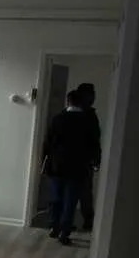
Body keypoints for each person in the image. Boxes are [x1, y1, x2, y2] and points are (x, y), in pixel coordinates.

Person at [42, 90, 101, 246]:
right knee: (71, 200)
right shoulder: (88, 121)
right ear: (81, 103)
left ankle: (54, 226)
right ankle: (65, 232)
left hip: (57, 165)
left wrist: (44, 160)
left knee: (56, 198)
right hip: (78, 166)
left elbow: (48, 143)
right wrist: (96, 162)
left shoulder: (58, 119)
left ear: (68, 102)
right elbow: (94, 143)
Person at [75, 82, 102, 231]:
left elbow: (95, 140)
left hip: (81, 161)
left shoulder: (87, 114)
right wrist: (96, 160)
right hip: (83, 160)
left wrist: (96, 159)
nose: (92, 97)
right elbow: (95, 140)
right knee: (84, 193)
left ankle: (86, 220)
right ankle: (87, 221)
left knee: (82, 193)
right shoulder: (89, 115)